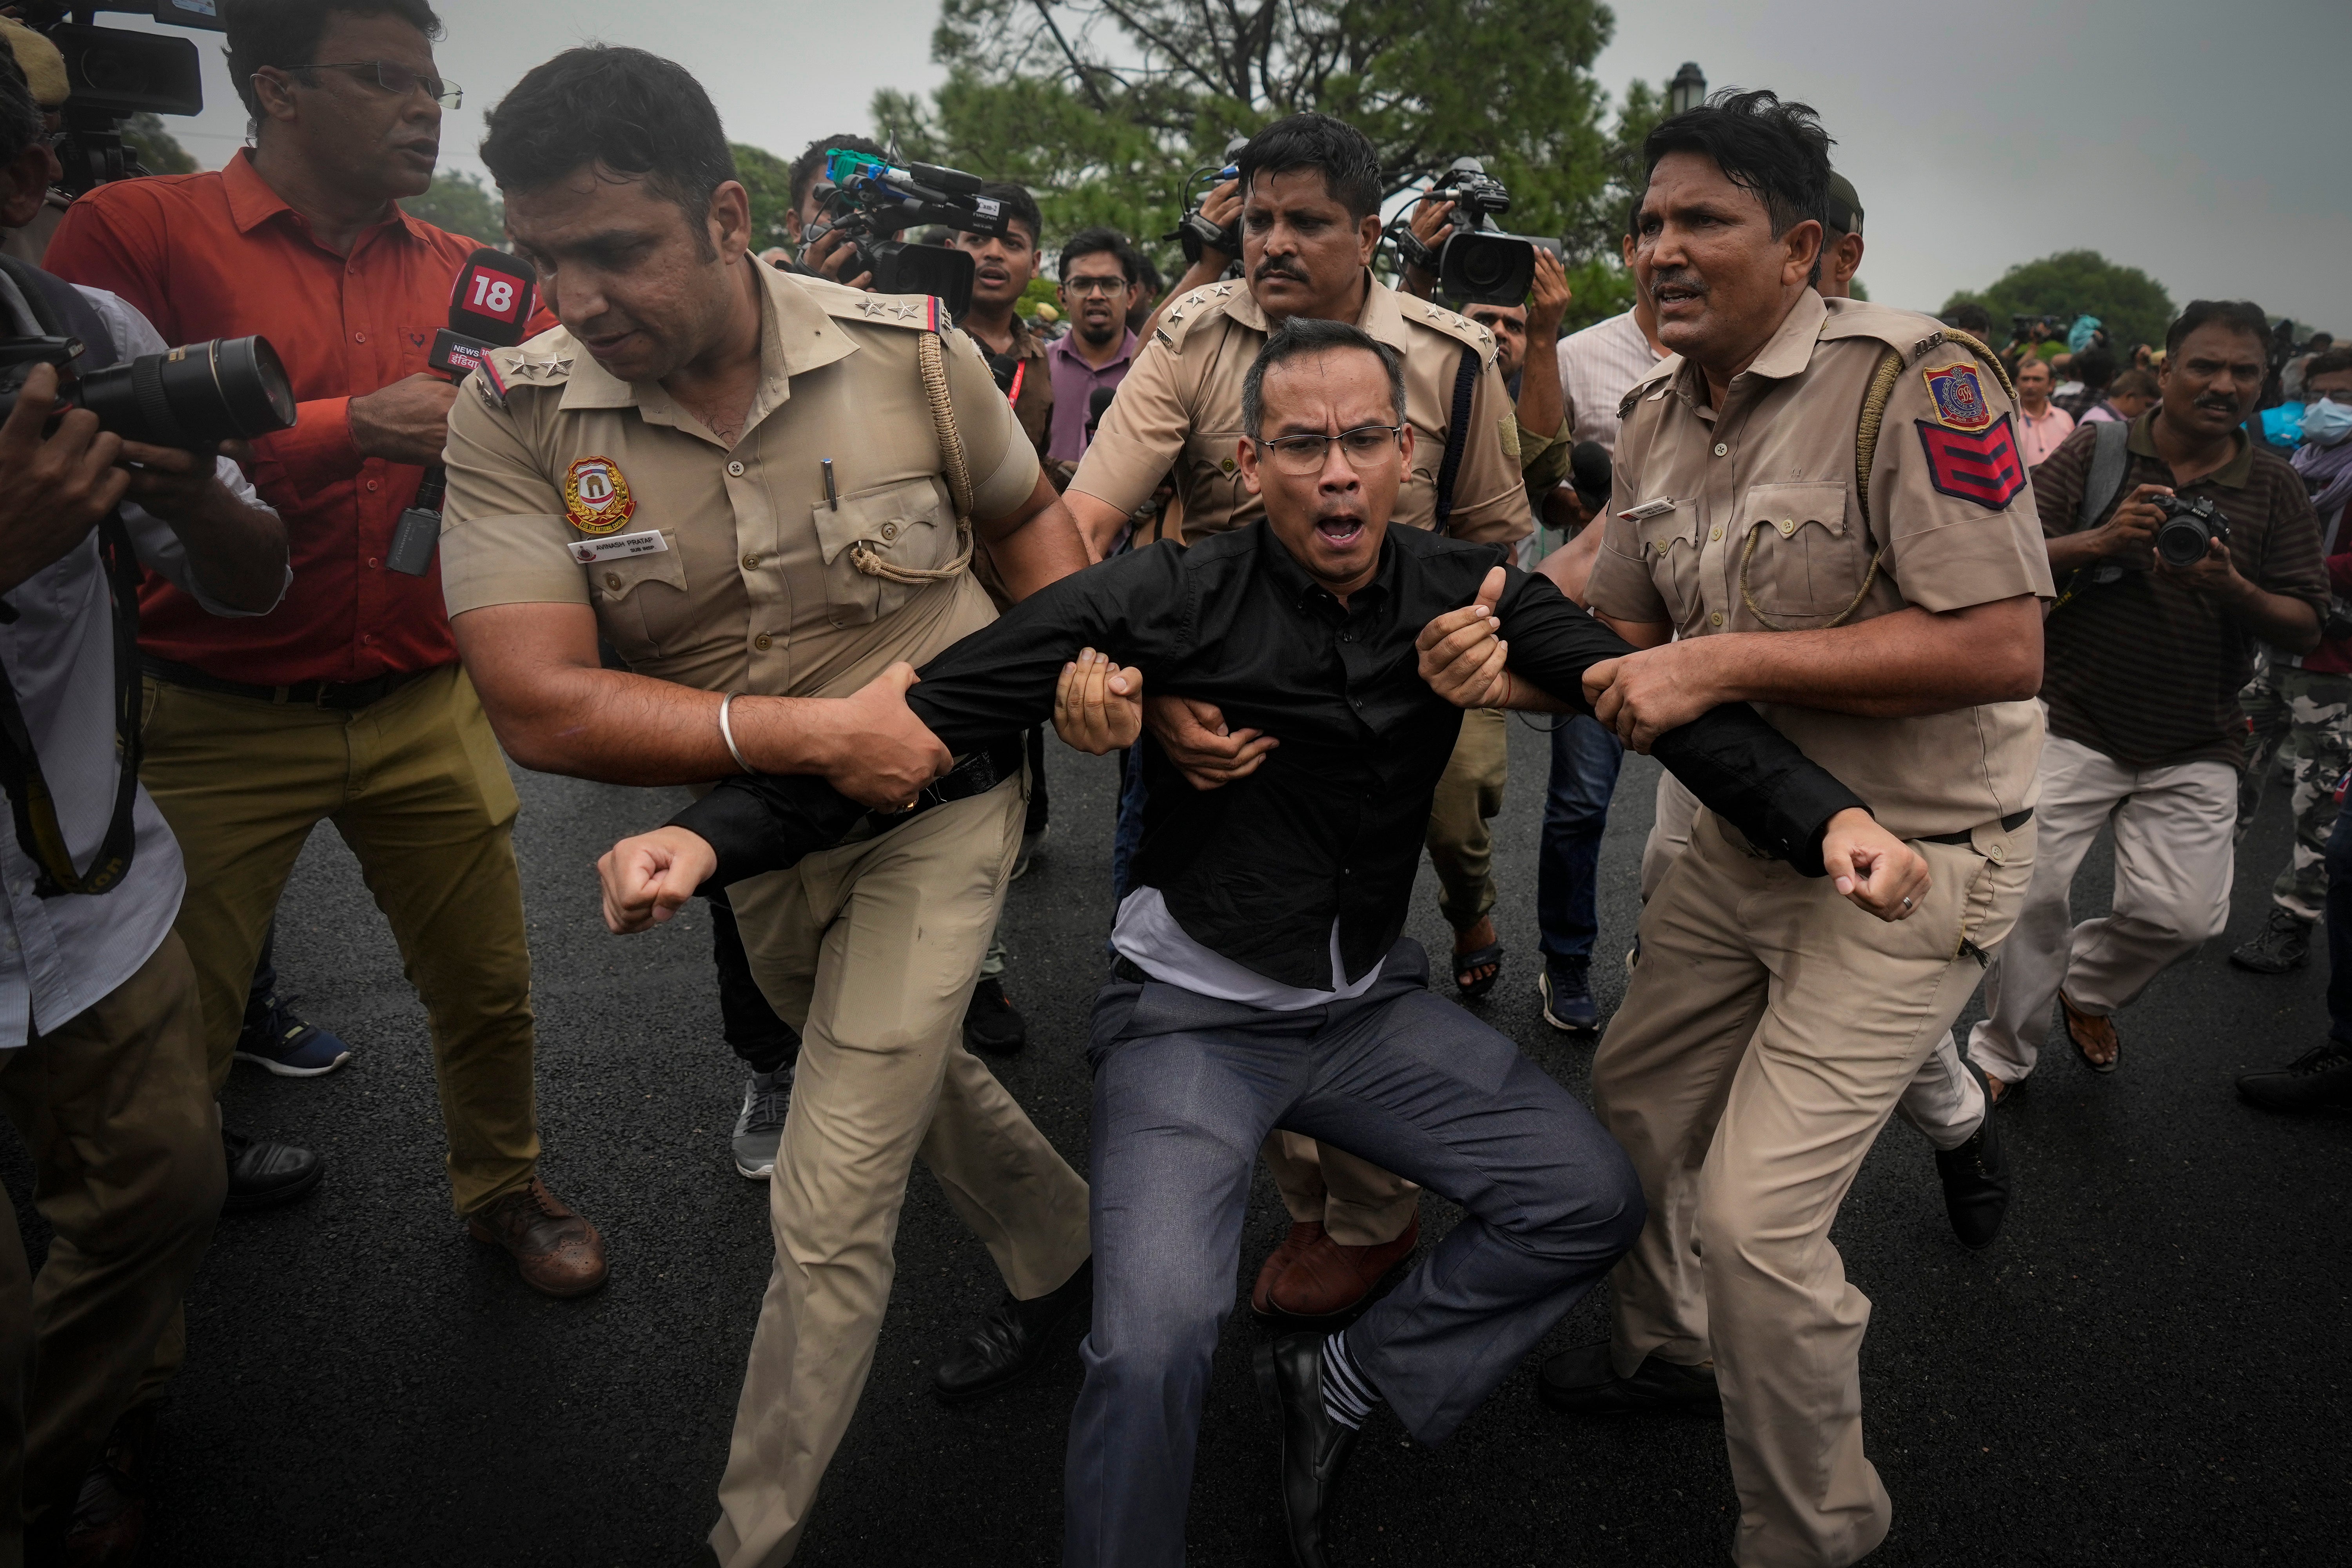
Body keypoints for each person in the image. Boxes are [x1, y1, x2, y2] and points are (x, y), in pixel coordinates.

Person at [595, 316, 1926, 1568]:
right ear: (1253, 462)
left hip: (1365, 1011)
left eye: (1366, 441)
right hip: (1192, 1023)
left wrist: (1832, 822)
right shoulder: (1165, 596)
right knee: (1153, 1341)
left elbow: (1655, 701)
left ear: (1407, 456)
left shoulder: (1465, 591)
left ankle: (1343, 1379)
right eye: (1303, 445)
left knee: (1587, 1199)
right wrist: (708, 841)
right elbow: (936, 710)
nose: (1338, 474)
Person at [441, 47, 1094, 1566]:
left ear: (730, 217)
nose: (579, 297)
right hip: (750, 834)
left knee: (832, 1184)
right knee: (905, 1071)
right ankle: (1065, 1256)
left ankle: (752, 1535)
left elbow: (1030, 526)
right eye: (546, 257)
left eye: (616, 249)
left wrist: (1070, 675)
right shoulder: (517, 416)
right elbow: (537, 698)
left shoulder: (916, 353)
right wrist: (811, 738)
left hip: (941, 801)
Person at [1538, 91, 2053, 1568]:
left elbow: (2002, 645)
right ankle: (1665, 1342)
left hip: (1909, 862)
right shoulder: (1654, 412)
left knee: (1762, 1230)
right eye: (1644, 223)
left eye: (1701, 218)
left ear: (1804, 246)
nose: (1658, 250)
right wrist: (1428, 623)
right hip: (1732, 840)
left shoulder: (1916, 380)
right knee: (1634, 1109)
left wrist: (1721, 663)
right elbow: (1608, 607)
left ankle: (1813, 1533)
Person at [42, 0, 611, 1293]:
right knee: (166, 1054)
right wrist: (356, 426)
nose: (423, 108)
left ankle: (505, 1190)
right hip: (208, 713)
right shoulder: (133, 231)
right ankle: (122, 1388)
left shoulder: (480, 272)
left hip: (426, 698)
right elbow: (96, 445)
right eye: (383, 79)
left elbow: (543, 460)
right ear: (277, 92)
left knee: (489, 990)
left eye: (433, 87)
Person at [1056, 110, 1533, 1323]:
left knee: (1353, 954)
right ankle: (1311, 1202)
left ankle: (1375, 1219)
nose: (1269, 242)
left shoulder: (1449, 357)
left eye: (1303, 220)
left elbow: (1488, 545)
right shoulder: (1191, 335)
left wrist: (1452, 671)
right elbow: (1087, 529)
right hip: (1220, 712)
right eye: (1255, 217)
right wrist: (1148, 693)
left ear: (1368, 233)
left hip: (1393, 704)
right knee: (1224, 947)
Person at [0, 47, 289, 1559]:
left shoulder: (78, 329)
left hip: (89, 893)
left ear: (27, 184)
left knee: (168, 1192)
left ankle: (49, 1463)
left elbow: (249, 581)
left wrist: (185, 490)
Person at [1966, 301, 2326, 1098]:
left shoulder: (2274, 485)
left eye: (2244, 372)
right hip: (2068, 716)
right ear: (2166, 370)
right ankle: (2001, 1053)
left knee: (2185, 919)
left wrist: (2230, 582)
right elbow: (1997, 551)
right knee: (2030, 896)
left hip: (2198, 735)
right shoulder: (2098, 450)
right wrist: (2100, 541)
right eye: (2205, 365)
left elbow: (2306, 619)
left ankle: (2085, 988)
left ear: (2265, 383)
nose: (2224, 384)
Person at [2229, 349, 2352, 974]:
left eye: (2346, 396)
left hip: (2336, 668)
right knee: (2225, 772)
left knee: (2320, 802)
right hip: (2271, 652)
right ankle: (2201, 892)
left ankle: (2295, 921)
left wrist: (2284, 563)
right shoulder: (2304, 464)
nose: (2329, 408)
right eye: (2320, 393)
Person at [1046, 227, 1144, 471]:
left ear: (1131, 296)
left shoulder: (1154, 370)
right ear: (1062, 296)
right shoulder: (1035, 369)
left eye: (1110, 284)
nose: (1096, 296)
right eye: (1082, 284)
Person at [2013, 354, 2076, 467]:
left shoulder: (2065, 418)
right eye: (2025, 379)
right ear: (2017, 383)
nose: (2030, 385)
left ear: (2051, 385)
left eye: (2037, 380)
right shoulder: (2010, 419)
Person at [2081, 365, 2158, 425]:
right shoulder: (2105, 424)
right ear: (2129, 397)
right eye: (2148, 405)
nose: (2149, 411)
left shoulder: (2099, 415)